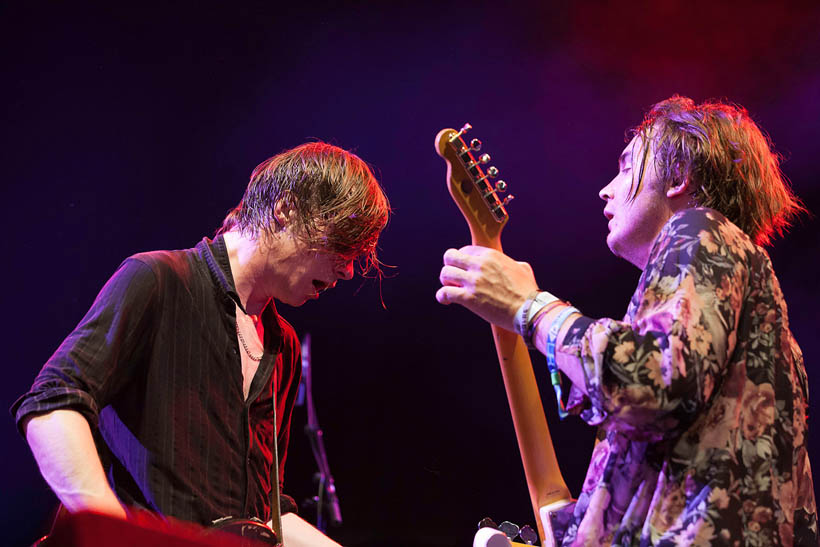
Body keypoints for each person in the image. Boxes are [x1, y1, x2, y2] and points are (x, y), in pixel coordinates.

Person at [436, 96, 817, 545]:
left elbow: (652, 382)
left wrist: (531, 307)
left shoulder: (701, 229)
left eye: (627, 165)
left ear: (678, 177)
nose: (606, 189)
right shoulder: (761, 340)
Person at [12, 142, 390, 546]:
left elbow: (263, 515)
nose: (348, 271)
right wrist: (110, 528)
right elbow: (54, 402)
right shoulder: (158, 280)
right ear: (286, 210)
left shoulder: (284, 345)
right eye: (341, 245)